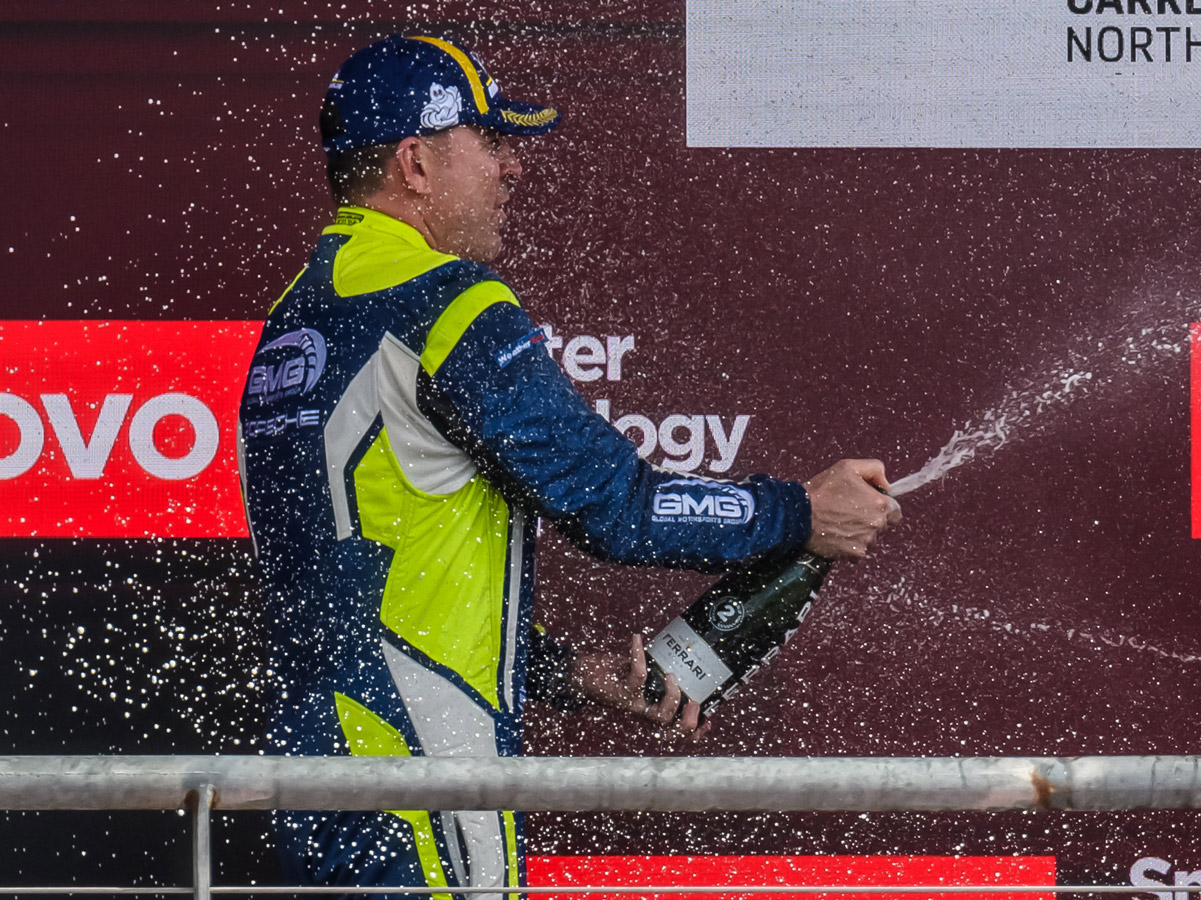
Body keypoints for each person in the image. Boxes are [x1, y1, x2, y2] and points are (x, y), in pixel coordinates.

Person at [236, 35, 901, 899]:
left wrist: (555, 673)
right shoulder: (447, 301)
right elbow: (617, 505)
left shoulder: (293, 322)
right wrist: (799, 514)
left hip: (316, 768)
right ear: (416, 164)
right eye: (492, 143)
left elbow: (358, 575)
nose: (513, 169)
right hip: (425, 766)